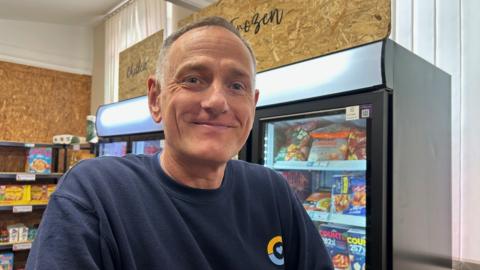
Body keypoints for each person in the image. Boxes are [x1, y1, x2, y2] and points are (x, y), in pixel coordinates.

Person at [26, 16, 333, 270]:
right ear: (155, 98)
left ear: (252, 105)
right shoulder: (95, 194)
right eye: (193, 79)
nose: (216, 101)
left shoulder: (273, 192)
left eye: (236, 85)